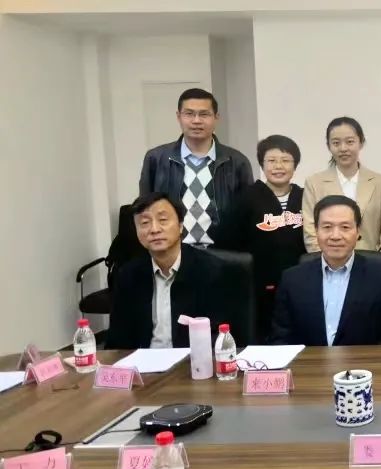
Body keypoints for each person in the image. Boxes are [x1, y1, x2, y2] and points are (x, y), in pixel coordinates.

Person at [270, 196, 381, 345]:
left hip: (365, 360)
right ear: (316, 231)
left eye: (345, 227)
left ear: (358, 232)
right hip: (309, 360)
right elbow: (281, 338)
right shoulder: (292, 279)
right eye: (327, 227)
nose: (335, 236)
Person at [108, 193, 238, 349]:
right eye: (144, 223)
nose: (154, 229)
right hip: (143, 361)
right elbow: (117, 340)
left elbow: (221, 337)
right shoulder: (128, 275)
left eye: (163, 220)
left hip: (192, 360)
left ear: (180, 225)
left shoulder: (211, 271)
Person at [214, 135, 306, 342]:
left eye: (285, 160)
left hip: (299, 285)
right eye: (271, 160)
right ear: (262, 164)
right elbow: (227, 241)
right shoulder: (246, 198)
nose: (278, 166)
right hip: (258, 287)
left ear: (295, 165)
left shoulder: (305, 197)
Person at [138, 88, 253, 247]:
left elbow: (248, 215)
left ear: (216, 117)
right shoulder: (156, 159)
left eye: (204, 114)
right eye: (189, 114)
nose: (196, 121)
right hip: (173, 252)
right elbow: (144, 212)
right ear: (178, 116)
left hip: (223, 253)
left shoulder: (237, 162)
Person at [301, 117, 381, 253]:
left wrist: (379, 254)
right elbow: (310, 230)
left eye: (350, 142)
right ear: (328, 146)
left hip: (371, 258)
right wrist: (324, 260)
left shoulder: (380, 182)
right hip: (330, 259)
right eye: (336, 143)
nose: (343, 148)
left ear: (361, 142)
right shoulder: (314, 183)